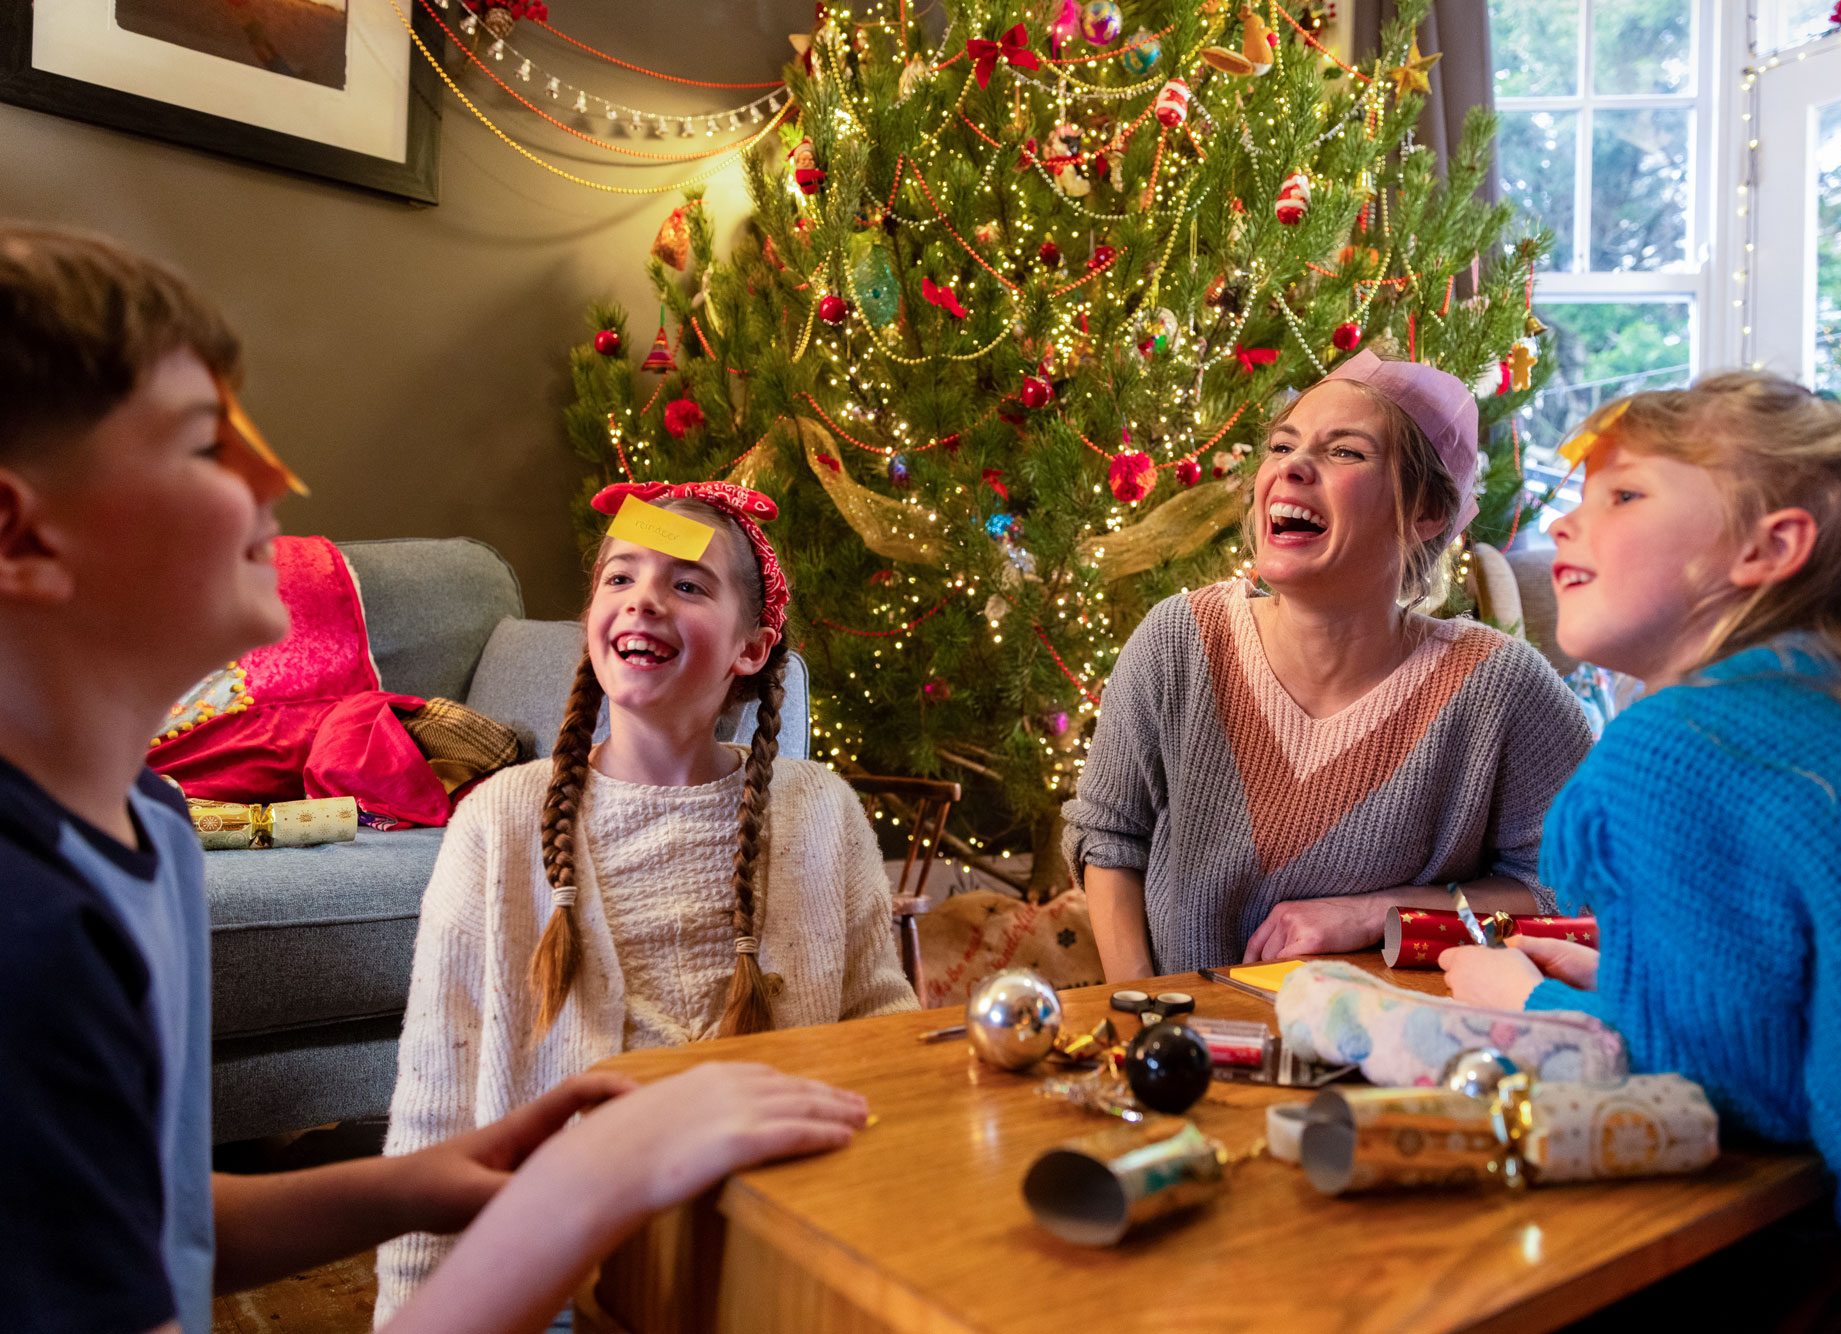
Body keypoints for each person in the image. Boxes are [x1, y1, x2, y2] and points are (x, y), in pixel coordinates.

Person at [0, 223, 870, 1334]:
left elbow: (139, 1215)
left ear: (754, 648)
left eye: (688, 583)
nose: (280, 478)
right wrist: (583, 1190)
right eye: (203, 446)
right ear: (20, 535)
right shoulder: (27, 938)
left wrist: (425, 1179)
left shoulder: (149, 829)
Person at [1439, 374, 1841, 1323]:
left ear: (1767, 547)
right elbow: (1837, 987)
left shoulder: (1676, 745)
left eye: (1623, 495)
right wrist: (1631, 977)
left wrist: (1525, 1005)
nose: (1569, 527)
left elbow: (1734, 1089)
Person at [376, 479, 915, 1318]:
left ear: (751, 647)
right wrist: (410, 1307)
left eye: (688, 584)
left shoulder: (820, 815)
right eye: (619, 577)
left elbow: (885, 1040)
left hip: (768, 1260)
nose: (645, 600)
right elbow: (433, 1099)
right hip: (548, 1281)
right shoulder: (496, 822)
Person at [1065, 351, 1594, 982]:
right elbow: (1109, 844)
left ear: (1426, 512)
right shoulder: (1177, 642)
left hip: (1398, 1063)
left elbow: (1572, 892)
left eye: (1345, 452)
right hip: (1188, 1053)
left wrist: (1378, 912)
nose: (1290, 465)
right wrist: (1145, 1010)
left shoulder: (1499, 687)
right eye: (1281, 444)